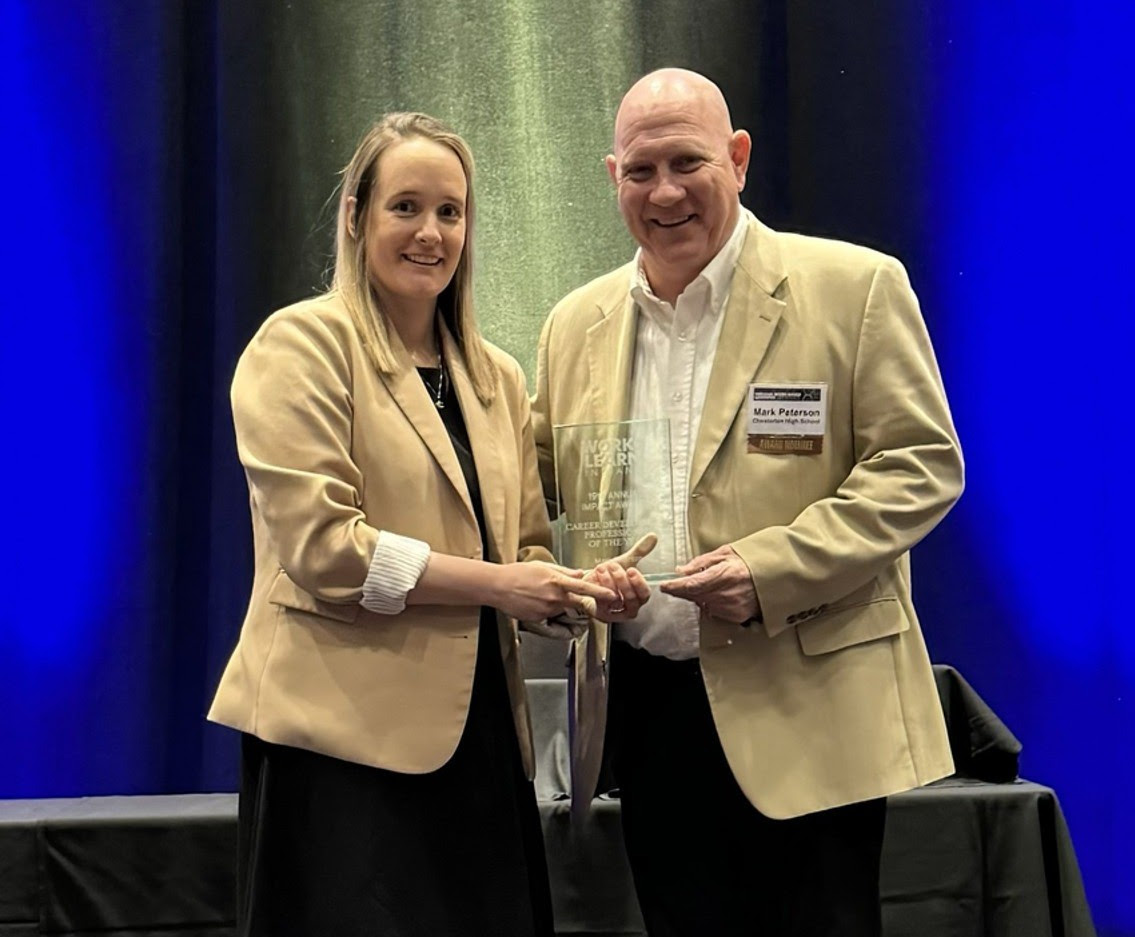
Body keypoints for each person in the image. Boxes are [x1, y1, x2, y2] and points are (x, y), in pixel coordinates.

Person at [532, 69, 964, 937]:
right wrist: (565, 577)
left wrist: (772, 569)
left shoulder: (854, 286)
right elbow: (539, 488)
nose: (664, 192)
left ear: (736, 159)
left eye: (687, 162)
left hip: (810, 699)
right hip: (650, 712)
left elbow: (920, 464)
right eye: (640, 170)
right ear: (610, 176)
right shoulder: (571, 323)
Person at [208, 112, 624, 937]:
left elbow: (526, 550)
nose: (430, 232)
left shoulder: (498, 376)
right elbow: (327, 551)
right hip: (337, 746)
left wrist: (574, 592)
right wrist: (505, 585)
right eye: (405, 207)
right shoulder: (299, 345)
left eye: (450, 212)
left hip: (478, 744)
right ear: (357, 216)